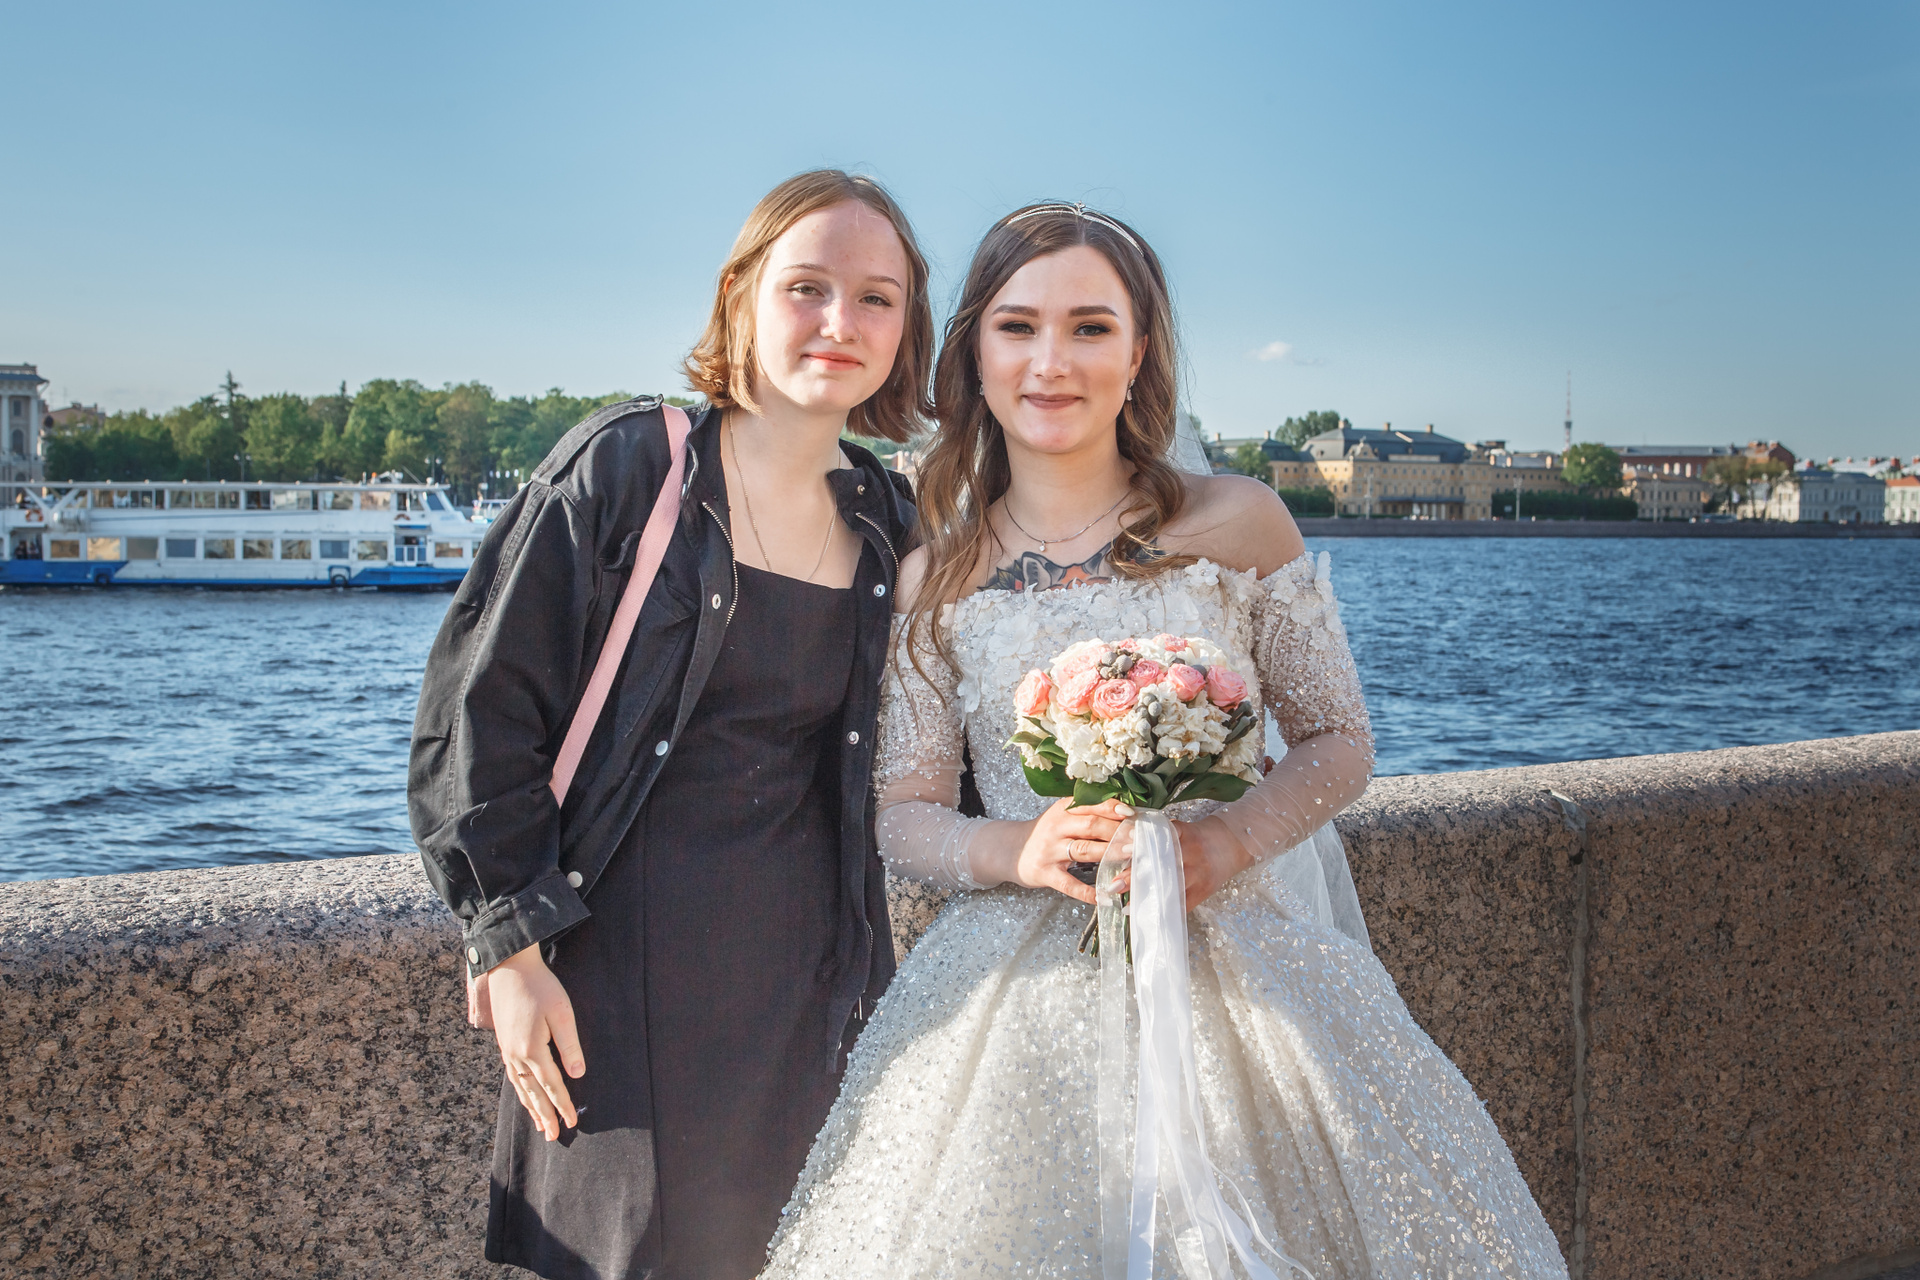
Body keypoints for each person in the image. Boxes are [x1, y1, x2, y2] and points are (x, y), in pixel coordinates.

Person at [762, 204, 1569, 1278]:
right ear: (975, 353)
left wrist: (1224, 843)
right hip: (1018, 985)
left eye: (1091, 328)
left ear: (1139, 352)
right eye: (1018, 327)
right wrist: (1019, 848)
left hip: (1241, 957)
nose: (1052, 362)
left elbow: (1338, 740)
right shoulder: (935, 576)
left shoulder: (1239, 522)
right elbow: (902, 814)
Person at [409, 169, 931, 1280]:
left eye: (876, 298)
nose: (841, 322)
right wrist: (509, 944)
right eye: (807, 287)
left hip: (814, 990)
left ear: (906, 330)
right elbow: (478, 709)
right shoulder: (630, 467)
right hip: (616, 984)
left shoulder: (891, 521)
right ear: (741, 296)